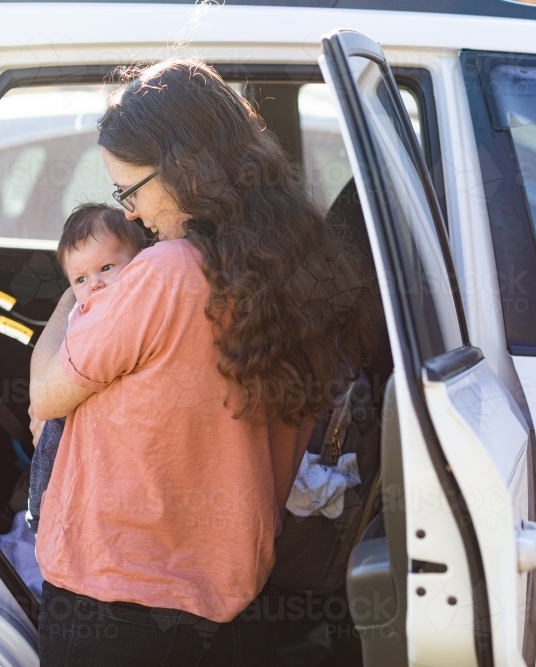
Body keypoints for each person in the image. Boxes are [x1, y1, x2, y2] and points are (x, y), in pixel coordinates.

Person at [28, 57, 377, 667]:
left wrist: (75, 291)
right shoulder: (298, 267)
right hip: (226, 603)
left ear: (186, 168)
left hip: (113, 601)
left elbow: (46, 396)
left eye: (131, 191)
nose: (130, 214)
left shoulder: (164, 274)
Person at [26, 203, 148, 534]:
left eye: (106, 267)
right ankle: (40, 511)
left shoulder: (133, 307)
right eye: (80, 278)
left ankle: (44, 515)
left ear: (142, 259)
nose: (94, 284)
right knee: (50, 453)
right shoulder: (82, 312)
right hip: (67, 410)